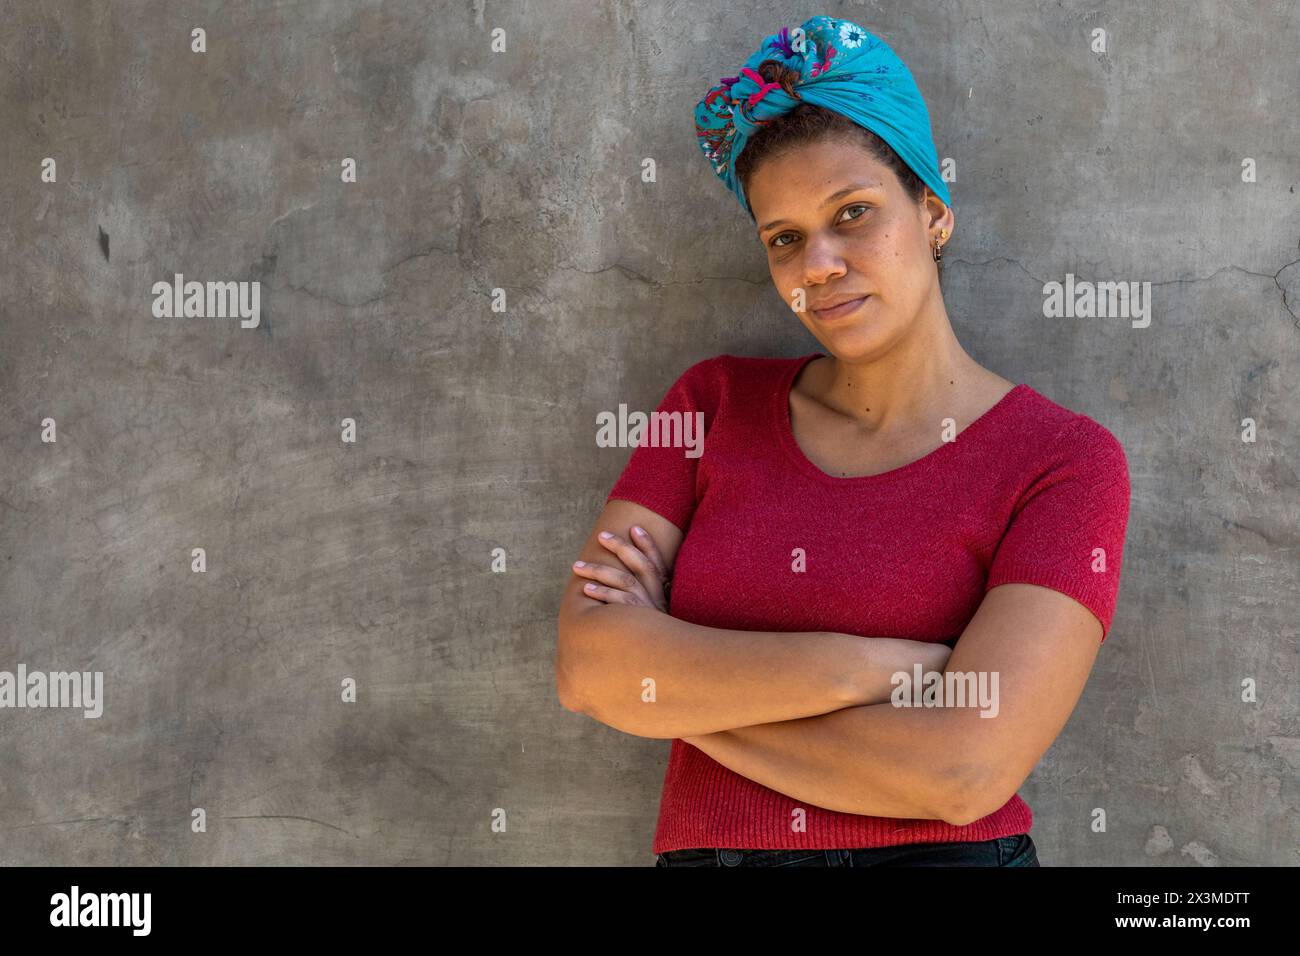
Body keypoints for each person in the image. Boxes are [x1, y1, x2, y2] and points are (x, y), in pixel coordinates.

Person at [555, 14, 1131, 867]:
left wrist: (677, 692)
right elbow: (588, 670)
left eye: (852, 213)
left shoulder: (1063, 462)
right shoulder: (710, 405)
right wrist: (866, 669)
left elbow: (965, 772)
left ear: (932, 212)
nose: (816, 264)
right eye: (783, 238)